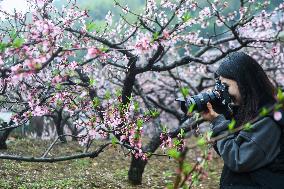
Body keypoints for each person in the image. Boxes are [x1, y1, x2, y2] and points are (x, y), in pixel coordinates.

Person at [201, 51, 284, 188]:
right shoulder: (250, 112)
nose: (223, 92)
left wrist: (219, 123)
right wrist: (223, 114)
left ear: (244, 82)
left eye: (226, 86)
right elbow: (229, 152)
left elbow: (238, 159)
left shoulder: (269, 119)